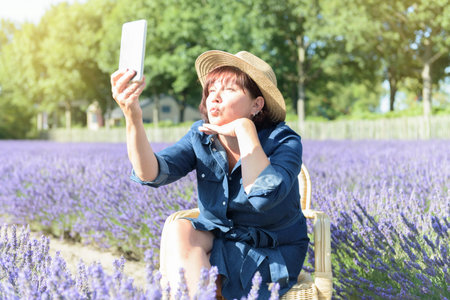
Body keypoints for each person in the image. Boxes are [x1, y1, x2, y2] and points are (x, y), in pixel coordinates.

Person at [110, 50, 309, 299]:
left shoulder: (283, 140)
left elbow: (262, 197)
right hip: (220, 241)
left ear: (257, 104)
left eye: (228, 90)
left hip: (271, 252)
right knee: (179, 230)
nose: (214, 97)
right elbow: (151, 173)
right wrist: (133, 116)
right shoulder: (201, 135)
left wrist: (245, 129)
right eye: (211, 90)